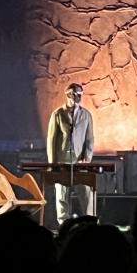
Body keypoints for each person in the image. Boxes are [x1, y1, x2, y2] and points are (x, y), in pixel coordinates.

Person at [47, 82, 95, 224]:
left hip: (80, 163)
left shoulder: (86, 115)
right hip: (62, 161)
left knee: (86, 193)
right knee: (62, 195)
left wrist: (87, 159)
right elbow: (52, 140)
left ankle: (89, 223)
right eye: (75, 94)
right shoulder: (58, 114)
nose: (77, 97)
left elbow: (90, 138)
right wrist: (53, 164)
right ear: (68, 94)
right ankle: (63, 224)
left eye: (80, 94)